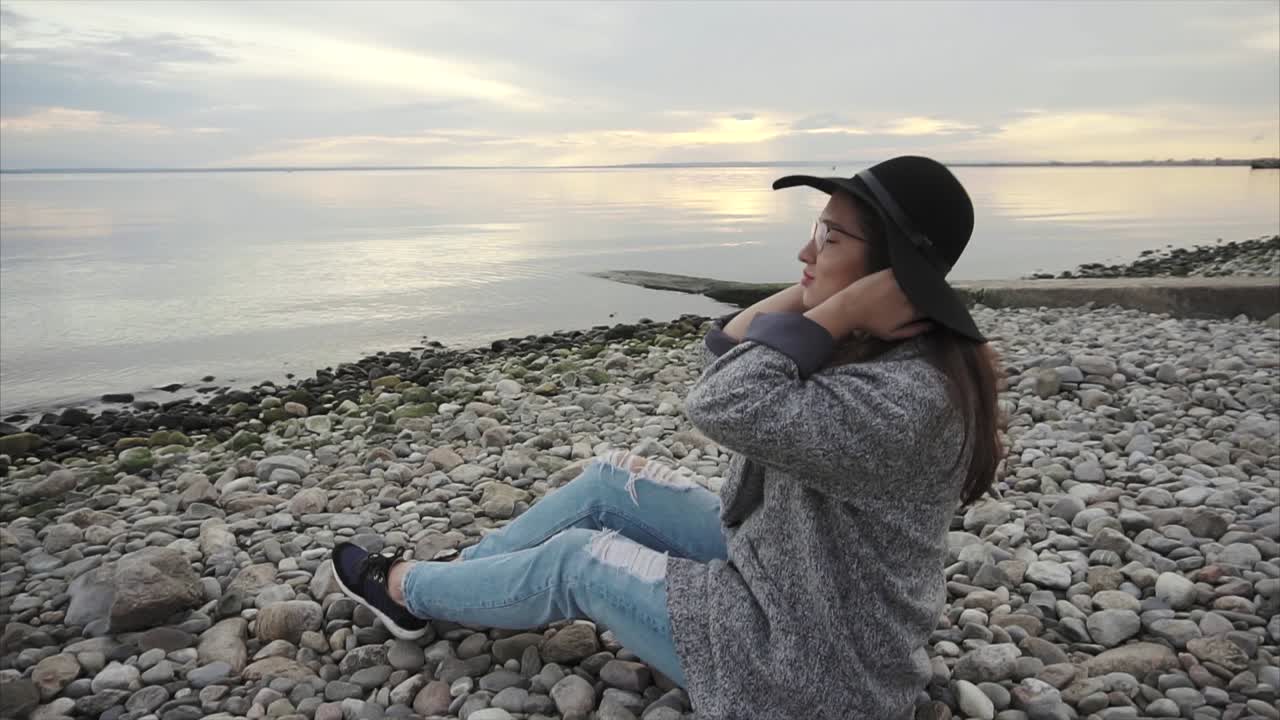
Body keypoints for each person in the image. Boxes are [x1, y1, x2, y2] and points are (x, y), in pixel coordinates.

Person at [329, 155, 1005, 719]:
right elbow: (724, 350)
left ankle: (404, 589)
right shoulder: (875, 348)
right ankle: (465, 575)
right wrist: (819, 293)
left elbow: (722, 397)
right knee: (607, 482)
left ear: (890, 273)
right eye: (814, 232)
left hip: (811, 664)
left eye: (829, 240)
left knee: (577, 561)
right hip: (789, 575)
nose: (804, 252)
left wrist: (841, 303)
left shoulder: (907, 398)